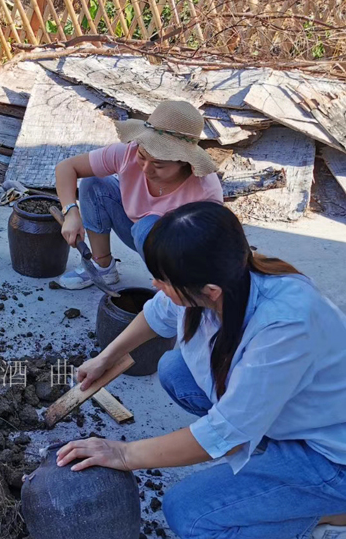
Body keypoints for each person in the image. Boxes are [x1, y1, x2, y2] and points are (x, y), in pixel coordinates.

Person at [56, 202, 346, 539]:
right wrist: (106, 357)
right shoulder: (224, 275)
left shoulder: (286, 326)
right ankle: (278, 476)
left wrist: (123, 453)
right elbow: (158, 313)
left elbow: (223, 431)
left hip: (330, 455)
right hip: (292, 419)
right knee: (175, 370)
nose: (154, 283)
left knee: (189, 513)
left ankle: (326, 511)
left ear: (210, 292)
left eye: (163, 280)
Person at [54, 99, 223, 290]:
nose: (146, 169)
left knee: (148, 227)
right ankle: (103, 267)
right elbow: (66, 168)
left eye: (158, 165)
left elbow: (208, 251)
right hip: (134, 229)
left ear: (184, 162)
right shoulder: (128, 153)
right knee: (94, 183)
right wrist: (70, 212)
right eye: (142, 157)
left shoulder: (205, 190)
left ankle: (172, 291)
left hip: (178, 252)